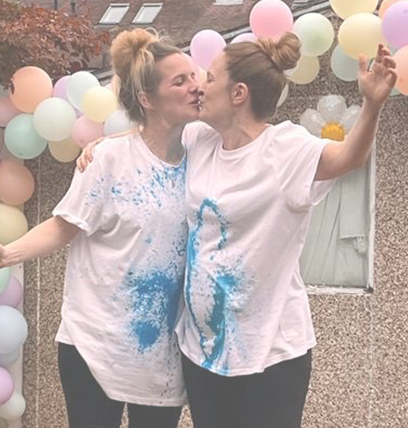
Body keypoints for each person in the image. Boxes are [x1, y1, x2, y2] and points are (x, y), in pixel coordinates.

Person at [77, 34, 396, 428]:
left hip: (271, 355)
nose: (199, 86)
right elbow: (153, 135)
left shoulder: (285, 148)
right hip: (203, 353)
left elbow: (348, 157)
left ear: (238, 93)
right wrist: (104, 144)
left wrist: (372, 105)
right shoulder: (201, 139)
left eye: (210, 78)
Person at [0, 28, 200, 428]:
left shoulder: (204, 150)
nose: (196, 86)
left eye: (195, 75)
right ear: (146, 99)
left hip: (164, 356)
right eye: (180, 81)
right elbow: (64, 226)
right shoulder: (108, 159)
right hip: (94, 346)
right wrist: (7, 254)